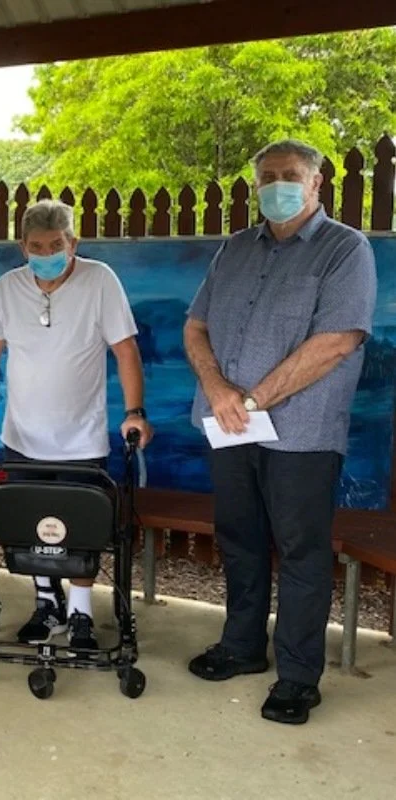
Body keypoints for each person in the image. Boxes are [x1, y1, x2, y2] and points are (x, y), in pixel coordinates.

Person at [184, 139, 376, 725]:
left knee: (300, 552)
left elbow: (337, 341)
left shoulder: (346, 249)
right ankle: (242, 646)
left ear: (316, 183)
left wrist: (251, 399)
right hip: (228, 425)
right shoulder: (235, 248)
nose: (276, 185)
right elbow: (196, 327)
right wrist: (218, 390)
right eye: (266, 177)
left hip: (301, 435)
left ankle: (296, 677)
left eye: (289, 175)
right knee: (238, 538)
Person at [0, 199, 152, 650]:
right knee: (33, 528)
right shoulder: (7, 288)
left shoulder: (99, 280)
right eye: (36, 246)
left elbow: (125, 350)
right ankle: (47, 605)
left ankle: (81, 612)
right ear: (23, 247)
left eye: (56, 244)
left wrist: (135, 412)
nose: (46, 253)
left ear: (73, 242)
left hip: (81, 438)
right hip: (23, 435)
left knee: (82, 530)